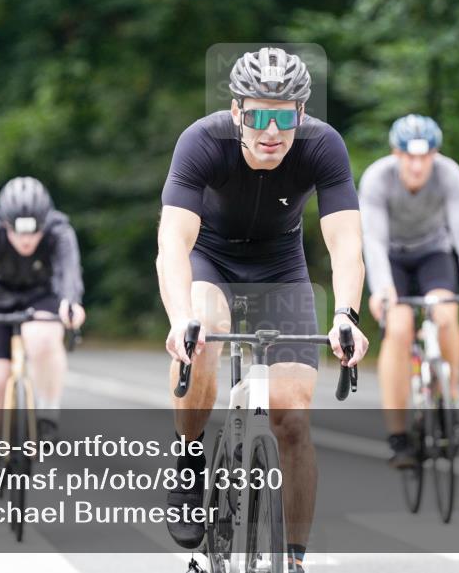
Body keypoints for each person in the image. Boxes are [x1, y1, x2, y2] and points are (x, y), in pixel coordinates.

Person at [157, 46, 370, 572]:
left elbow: (346, 244)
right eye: (258, 115)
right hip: (213, 262)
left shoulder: (323, 145)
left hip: (280, 271)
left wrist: (347, 315)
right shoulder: (202, 142)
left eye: (284, 115)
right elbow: (173, 245)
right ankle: (189, 458)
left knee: (292, 417)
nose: (271, 130)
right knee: (204, 328)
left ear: (301, 114)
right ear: (237, 112)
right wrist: (179, 315)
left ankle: (292, 559)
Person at [359, 114, 459, 468]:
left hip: (433, 252)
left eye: (426, 156)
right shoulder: (378, 177)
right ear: (397, 153)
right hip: (392, 256)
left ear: (435, 154)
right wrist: (382, 291)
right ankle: (398, 436)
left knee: (446, 312)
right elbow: (372, 242)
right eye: (410, 156)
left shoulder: (449, 174)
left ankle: (446, 401)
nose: (418, 165)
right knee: (399, 326)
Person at [0, 177, 85, 483]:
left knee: (41, 336)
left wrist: (71, 303)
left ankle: (47, 416)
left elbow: (70, 272)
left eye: (34, 231)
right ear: (6, 223)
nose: (26, 241)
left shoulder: (59, 229)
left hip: (41, 298)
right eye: (18, 231)